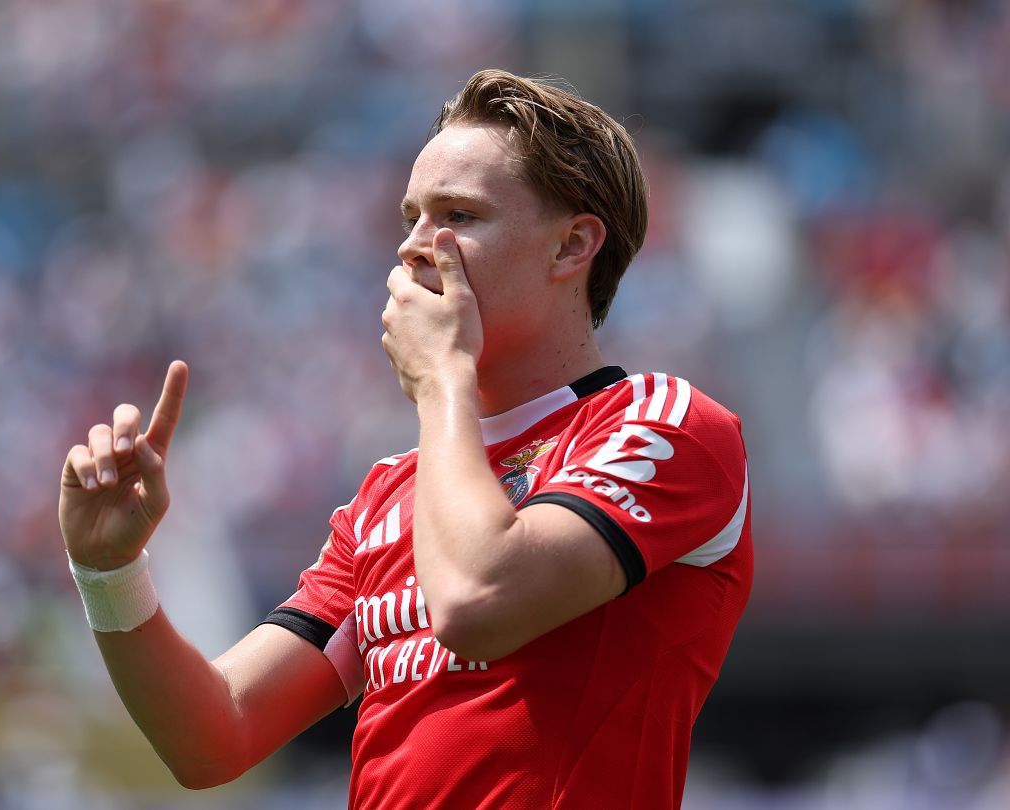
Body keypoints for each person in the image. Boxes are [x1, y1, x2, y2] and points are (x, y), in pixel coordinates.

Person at [59, 69, 752, 810]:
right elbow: (214, 737)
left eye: (459, 214)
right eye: (410, 217)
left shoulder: (665, 422)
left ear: (571, 247)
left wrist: (443, 378)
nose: (416, 248)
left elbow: (479, 602)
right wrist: (109, 573)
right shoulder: (390, 491)